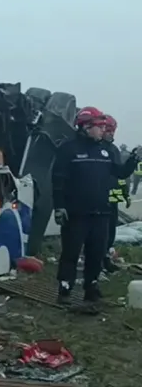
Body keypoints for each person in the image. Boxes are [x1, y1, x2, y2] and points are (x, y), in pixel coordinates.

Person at [52, 107, 139, 305]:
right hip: (76, 213)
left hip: (101, 212)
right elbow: (58, 180)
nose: (103, 130)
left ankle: (91, 288)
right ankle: (65, 288)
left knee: (96, 253)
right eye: (100, 126)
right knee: (71, 252)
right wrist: (59, 206)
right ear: (86, 126)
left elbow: (120, 172)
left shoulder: (105, 150)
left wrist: (134, 159)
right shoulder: (69, 149)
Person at [101, 115, 129, 273]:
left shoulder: (113, 149)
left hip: (113, 199)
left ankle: (106, 258)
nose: (112, 133)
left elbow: (121, 175)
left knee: (110, 230)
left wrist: (125, 193)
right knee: (99, 232)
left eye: (113, 131)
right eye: (109, 130)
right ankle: (96, 260)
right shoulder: (97, 149)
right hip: (99, 198)